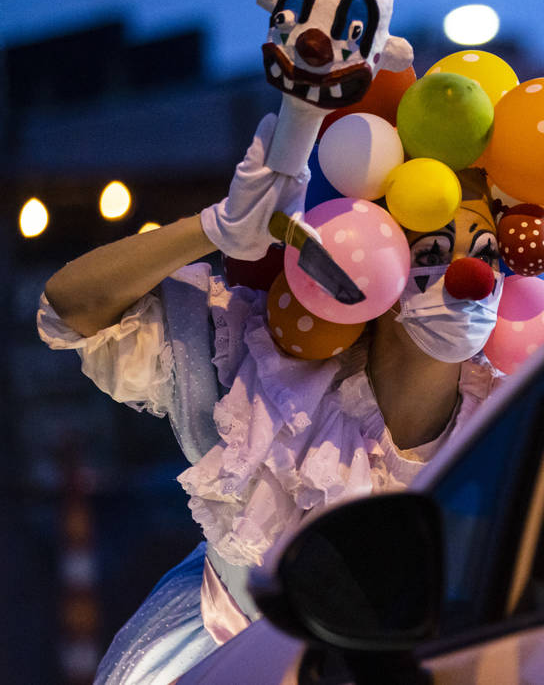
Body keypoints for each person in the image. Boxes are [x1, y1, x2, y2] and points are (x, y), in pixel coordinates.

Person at [38, 114, 507, 684]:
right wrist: (217, 228)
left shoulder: (528, 427)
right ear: (372, 258)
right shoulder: (262, 379)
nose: (469, 277)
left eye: (486, 251)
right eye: (432, 249)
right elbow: (72, 308)